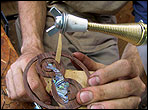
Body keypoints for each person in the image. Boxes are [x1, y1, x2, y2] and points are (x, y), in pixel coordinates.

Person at [6, 1, 147, 109]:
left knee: (108, 96)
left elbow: (144, 31)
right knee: (48, 89)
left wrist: (131, 68)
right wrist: (31, 47)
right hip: (52, 11)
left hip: (101, 22)